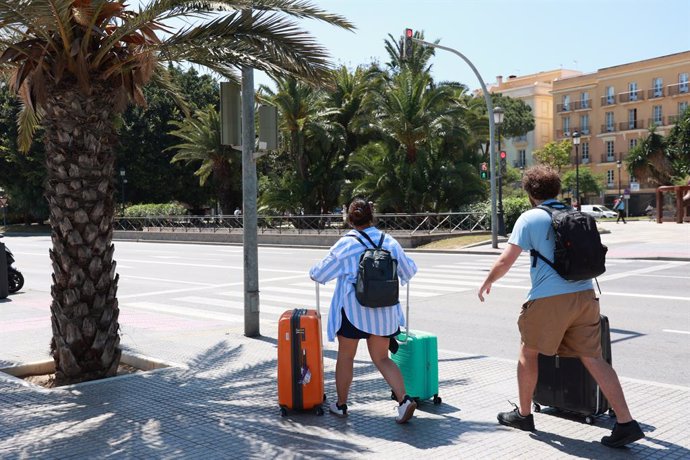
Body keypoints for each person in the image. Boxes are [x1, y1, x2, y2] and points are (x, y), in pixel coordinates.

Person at [478, 165, 644, 448]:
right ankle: (626, 422)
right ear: (557, 189)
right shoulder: (576, 214)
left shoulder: (530, 218)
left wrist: (487, 280)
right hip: (585, 294)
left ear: (530, 193)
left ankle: (524, 414)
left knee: (527, 351)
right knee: (594, 358)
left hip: (549, 298)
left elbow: (506, 259)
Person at [309, 197, 418, 424]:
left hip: (353, 312)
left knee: (346, 357)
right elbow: (409, 270)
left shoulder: (346, 244)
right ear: (372, 216)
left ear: (350, 219)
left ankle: (340, 405)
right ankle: (404, 400)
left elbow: (319, 274)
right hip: (385, 313)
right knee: (382, 358)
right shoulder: (389, 242)